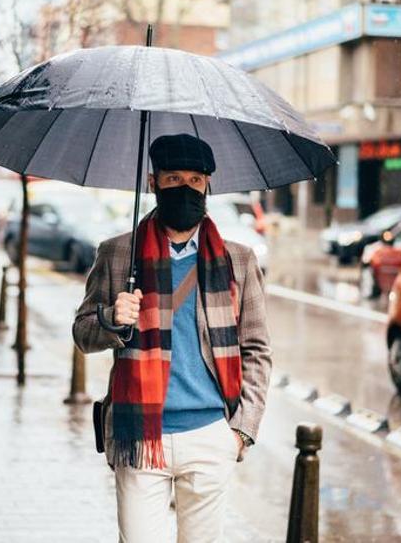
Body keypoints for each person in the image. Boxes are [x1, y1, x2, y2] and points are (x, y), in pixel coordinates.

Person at [72, 134, 272, 543]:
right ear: (154, 183)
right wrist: (112, 318)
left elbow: (256, 349)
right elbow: (83, 334)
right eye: (174, 179)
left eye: (195, 180)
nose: (186, 189)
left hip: (211, 435)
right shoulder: (117, 254)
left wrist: (240, 431)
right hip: (138, 435)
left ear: (207, 185)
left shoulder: (238, 260)